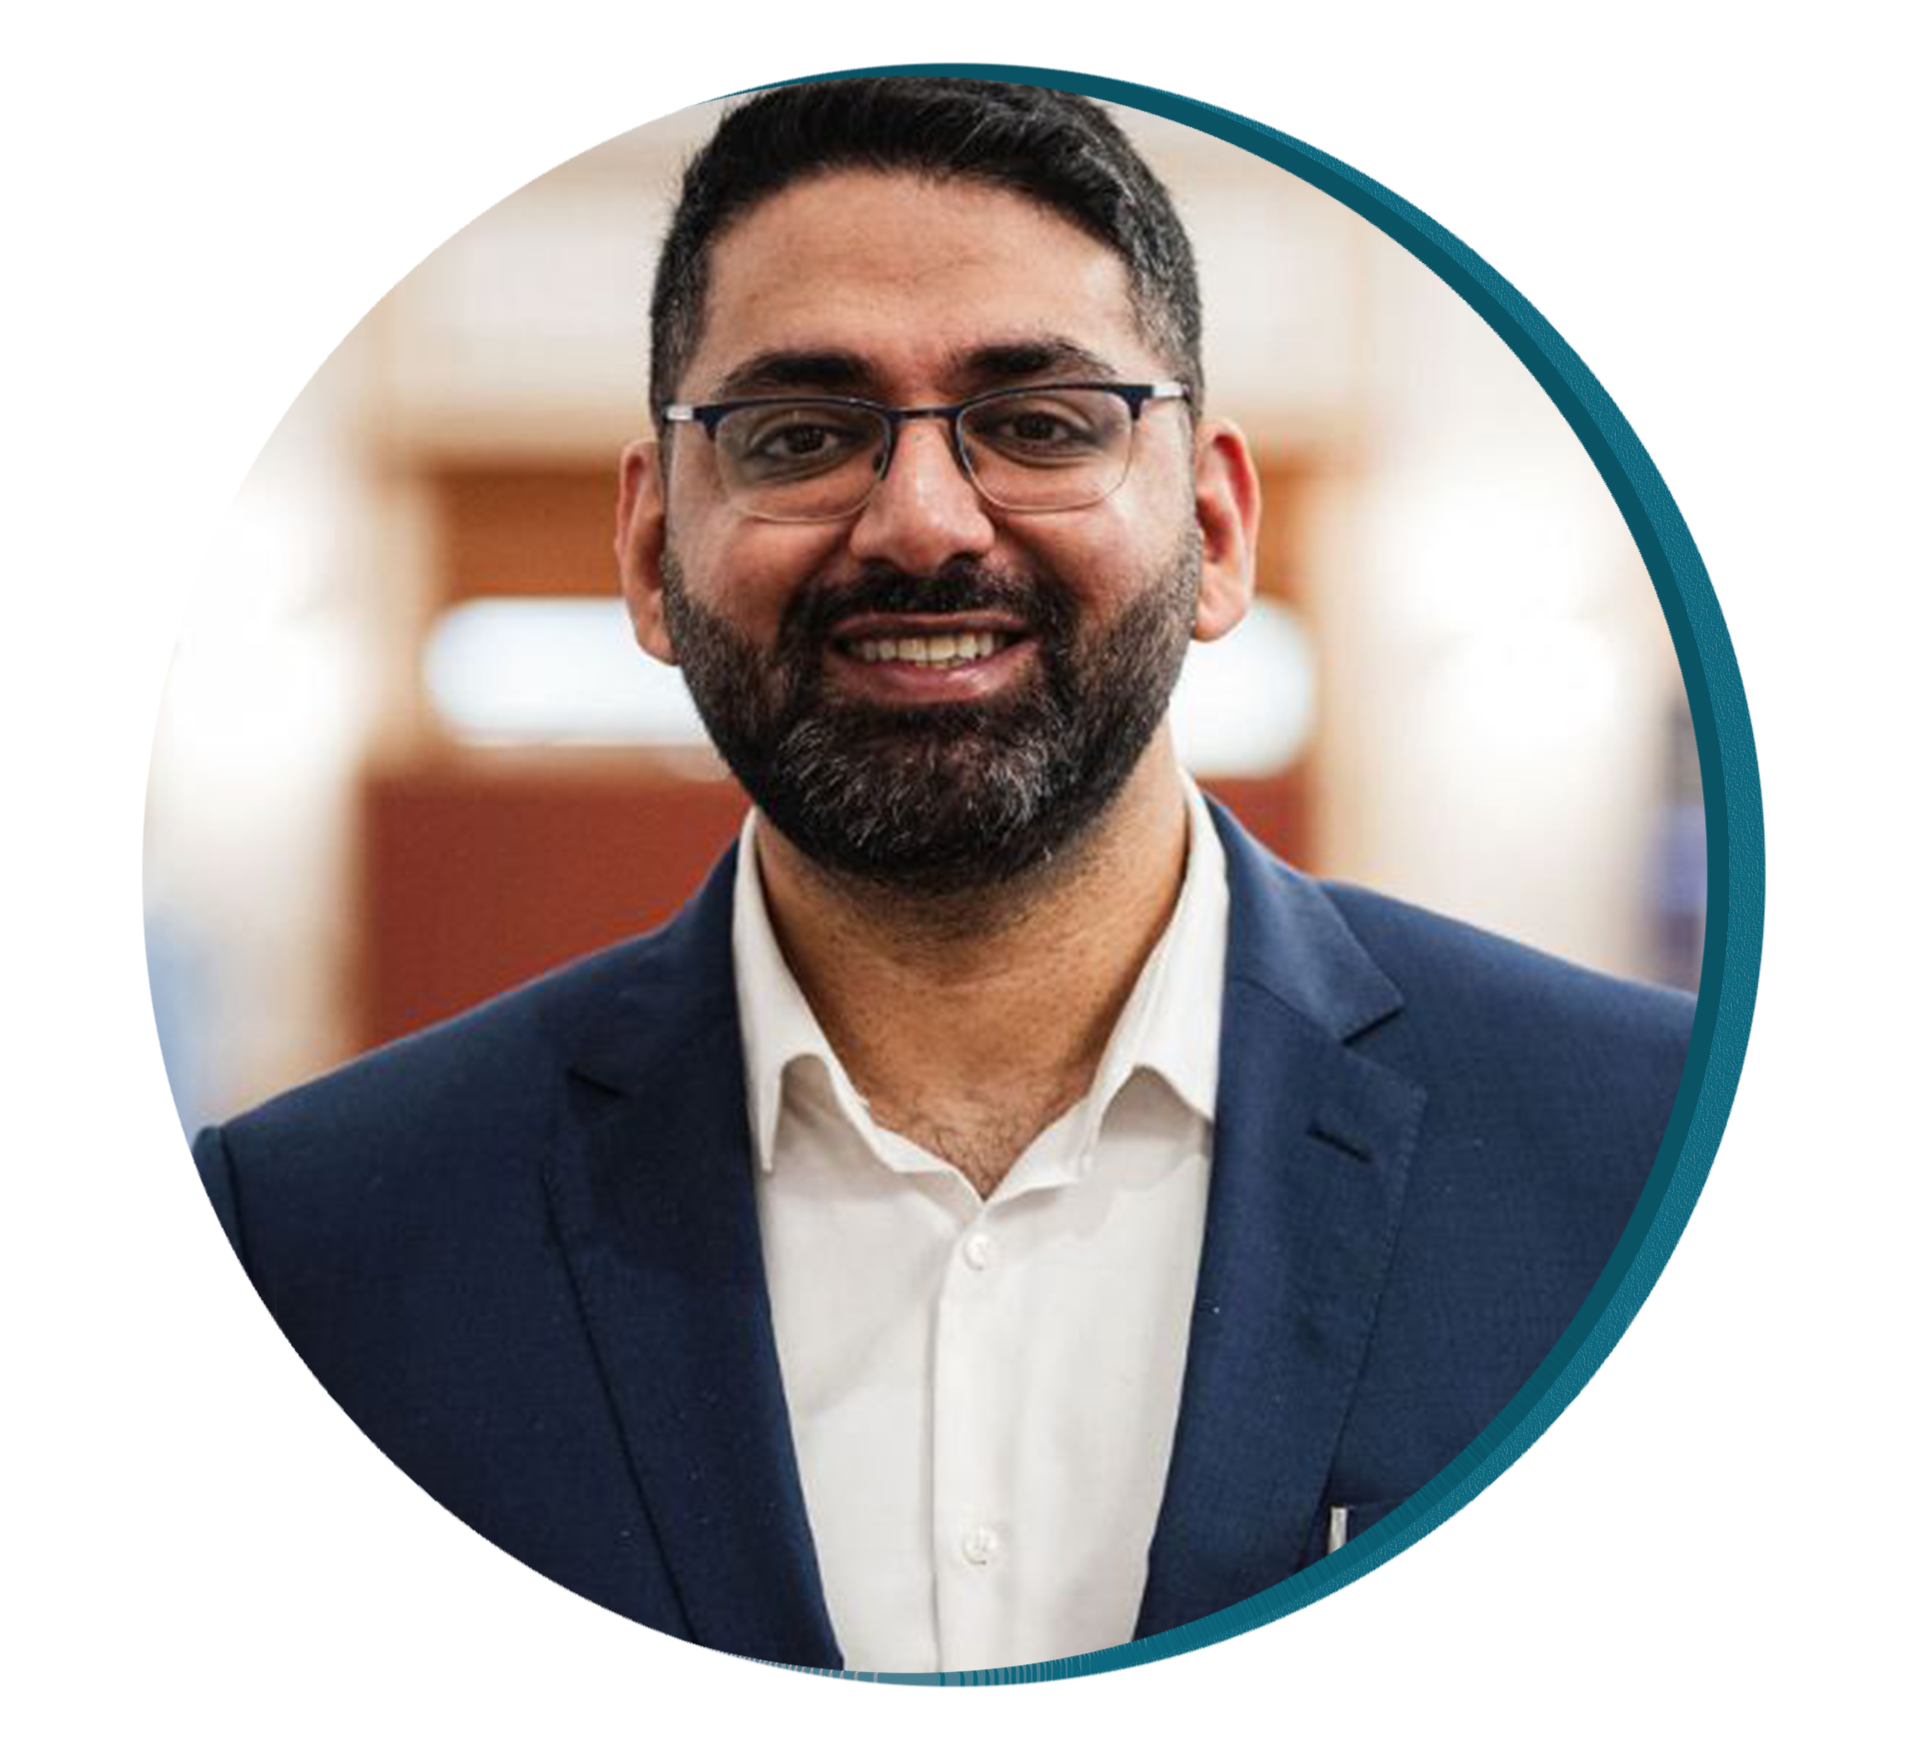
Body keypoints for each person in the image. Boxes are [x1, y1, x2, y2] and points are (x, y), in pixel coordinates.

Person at [191, 77, 1694, 1674]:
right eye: (799, 434)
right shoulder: (310, 1243)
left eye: (1040, 423)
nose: (920, 523)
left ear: (1215, 526)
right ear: (647, 551)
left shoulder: (1647, 1151)